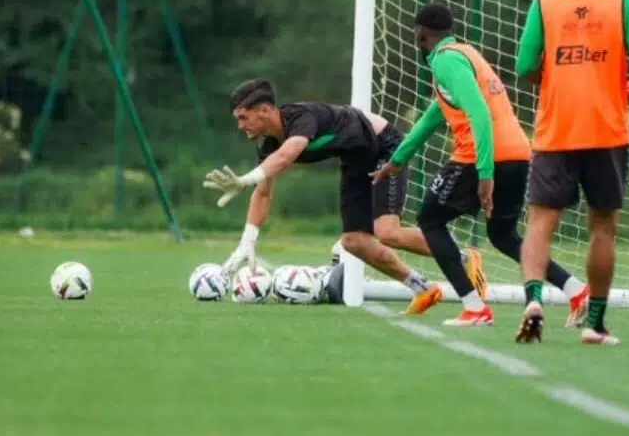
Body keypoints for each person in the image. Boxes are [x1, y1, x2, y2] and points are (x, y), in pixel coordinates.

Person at [371, 3, 591, 327]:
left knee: (430, 220)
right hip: (517, 153)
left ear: (421, 35)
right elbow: (432, 118)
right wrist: (397, 160)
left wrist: (485, 174)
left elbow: (480, 114)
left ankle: (474, 308)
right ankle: (576, 291)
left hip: (481, 158)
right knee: (503, 235)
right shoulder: (466, 54)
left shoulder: (446, 61)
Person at [203, 78, 480, 314]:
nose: (240, 126)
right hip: (356, 161)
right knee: (353, 241)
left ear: (264, 110)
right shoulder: (267, 145)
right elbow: (262, 193)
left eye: (243, 117)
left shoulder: (301, 117)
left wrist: (246, 178)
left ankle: (465, 258)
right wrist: (246, 243)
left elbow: (289, 154)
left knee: (387, 232)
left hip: (385, 147)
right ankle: (423, 288)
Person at [515, 0, 629, 345]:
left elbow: (524, 67)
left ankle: (534, 297)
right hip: (606, 131)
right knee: (602, 227)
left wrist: (554, 77)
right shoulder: (624, 2)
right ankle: (594, 323)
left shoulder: (544, 2)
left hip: (557, 130)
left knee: (541, 221)